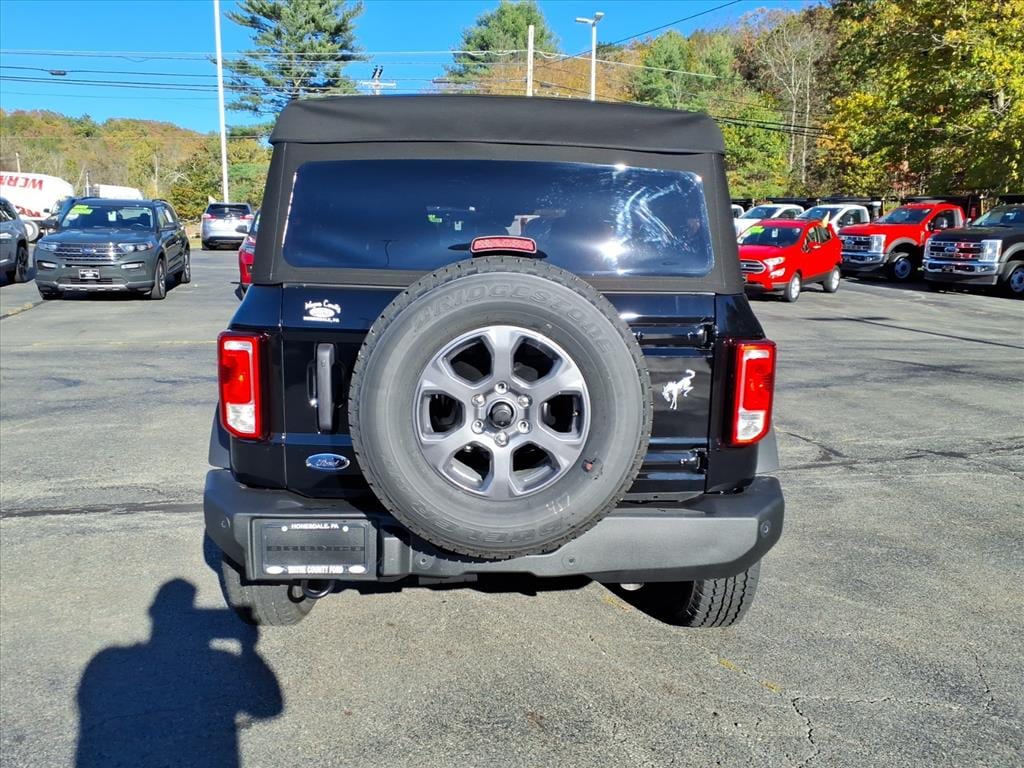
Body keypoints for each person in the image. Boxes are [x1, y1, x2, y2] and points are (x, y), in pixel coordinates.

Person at [75, 579, 282, 768]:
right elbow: (269, 709)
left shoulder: (107, 661)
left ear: (153, 612)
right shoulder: (222, 659)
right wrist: (248, 649)